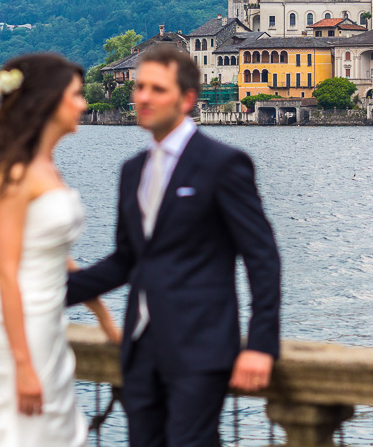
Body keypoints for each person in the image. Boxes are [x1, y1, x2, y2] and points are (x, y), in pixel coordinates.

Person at [66, 46, 281, 447]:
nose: (143, 97)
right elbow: (127, 261)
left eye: (156, 89)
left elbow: (262, 257)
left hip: (201, 349)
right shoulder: (133, 171)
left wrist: (262, 345)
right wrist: (51, 293)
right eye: (140, 87)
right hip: (140, 348)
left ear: (186, 99)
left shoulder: (224, 164)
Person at [0, 54, 119, 447]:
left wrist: (105, 318)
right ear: (49, 101)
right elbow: (7, 271)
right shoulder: (16, 173)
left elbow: (57, 258)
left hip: (48, 327)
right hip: (16, 333)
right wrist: (22, 365)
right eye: (76, 95)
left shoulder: (47, 167)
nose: (84, 104)